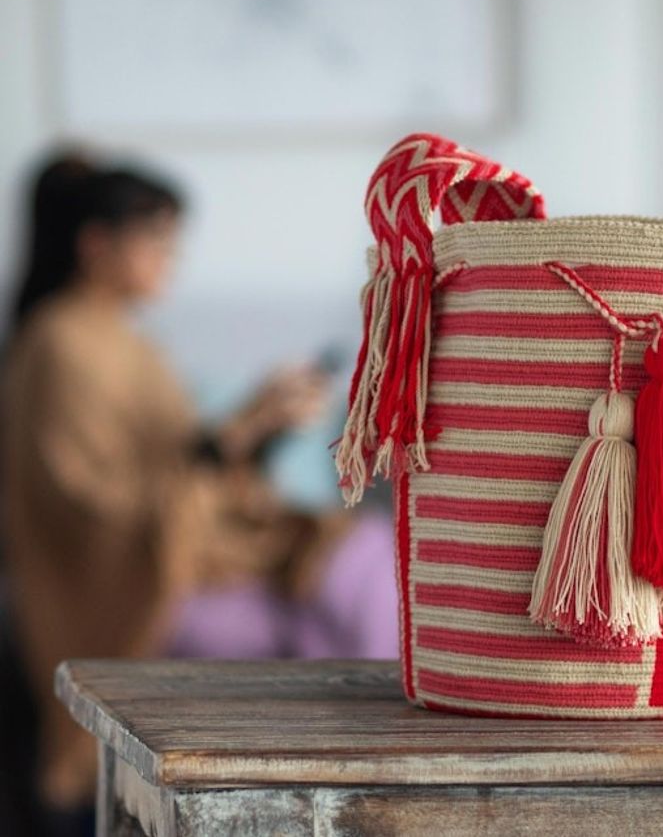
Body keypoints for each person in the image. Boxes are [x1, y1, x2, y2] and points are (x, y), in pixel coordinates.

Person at [0, 150, 397, 834]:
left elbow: (189, 465)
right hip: (135, 576)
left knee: (359, 557)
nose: (170, 259)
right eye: (155, 240)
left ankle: (374, 782)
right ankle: (378, 787)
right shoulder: (59, 345)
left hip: (191, 545)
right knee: (351, 574)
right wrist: (231, 437)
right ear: (96, 244)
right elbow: (100, 510)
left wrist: (261, 427)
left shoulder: (132, 344)